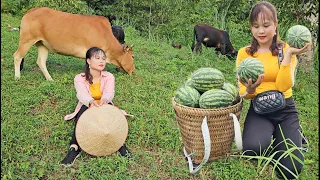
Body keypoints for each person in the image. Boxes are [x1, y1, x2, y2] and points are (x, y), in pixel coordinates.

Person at [236, 1, 311, 179]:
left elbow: (284, 86)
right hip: (259, 109)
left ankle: (292, 136)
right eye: (256, 26)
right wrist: (250, 89)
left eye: (266, 25)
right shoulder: (245, 53)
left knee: (291, 169)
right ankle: (279, 139)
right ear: (251, 28)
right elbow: (243, 93)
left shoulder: (286, 50)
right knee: (252, 150)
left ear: (275, 25)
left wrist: (287, 56)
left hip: (285, 109)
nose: (261, 31)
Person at [61, 47, 131, 167]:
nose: (101, 61)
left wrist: (104, 100)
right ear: (88, 61)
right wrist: (90, 102)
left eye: (103, 58)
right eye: (97, 58)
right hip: (88, 103)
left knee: (112, 119)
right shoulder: (80, 78)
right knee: (82, 116)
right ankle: (75, 147)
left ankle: (120, 144)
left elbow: (109, 92)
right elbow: (81, 94)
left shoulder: (109, 76)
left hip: (104, 103)